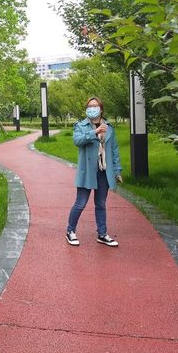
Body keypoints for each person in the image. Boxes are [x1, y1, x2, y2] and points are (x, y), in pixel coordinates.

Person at [66, 96, 123, 248]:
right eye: (89, 106)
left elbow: (114, 150)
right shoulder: (81, 125)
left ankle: (102, 234)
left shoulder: (109, 128)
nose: (92, 108)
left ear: (101, 109)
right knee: (80, 203)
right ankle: (70, 231)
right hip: (87, 171)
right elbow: (77, 141)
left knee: (101, 204)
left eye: (95, 106)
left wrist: (117, 170)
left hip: (103, 171)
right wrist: (94, 132)